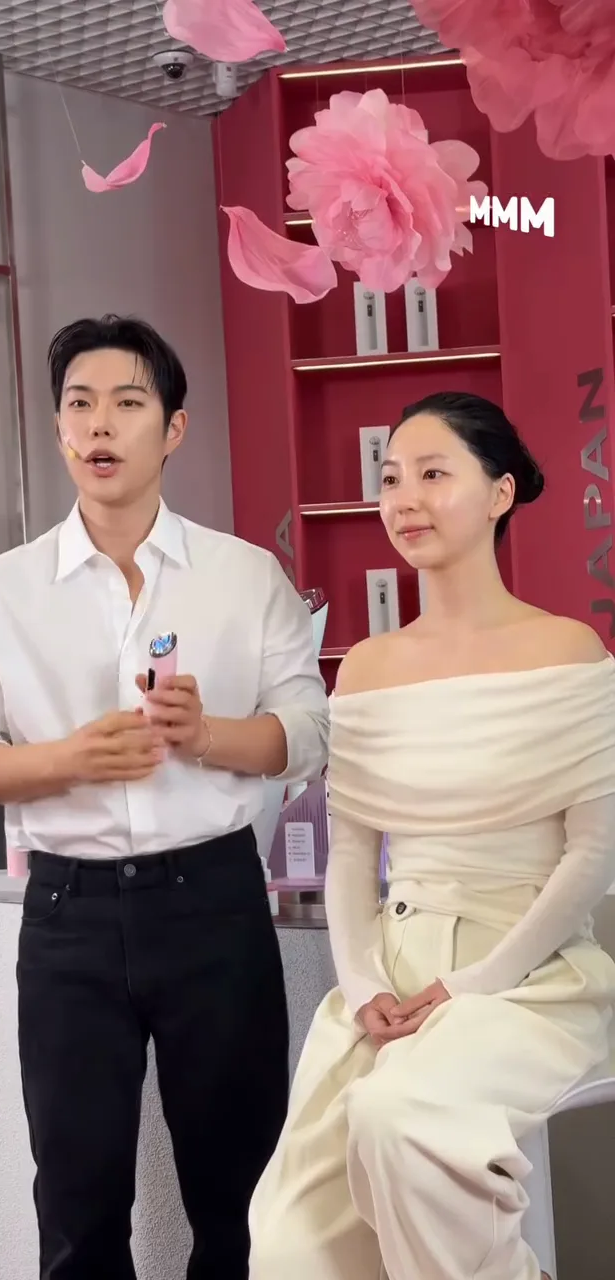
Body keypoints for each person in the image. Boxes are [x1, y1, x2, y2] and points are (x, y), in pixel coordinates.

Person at [0, 314, 329, 1280]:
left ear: (173, 428)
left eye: (127, 402)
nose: (100, 424)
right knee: (77, 1204)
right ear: (59, 428)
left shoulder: (245, 576)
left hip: (214, 903)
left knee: (242, 1200)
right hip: (68, 915)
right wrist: (65, 760)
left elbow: (311, 733)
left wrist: (208, 736)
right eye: (80, 404)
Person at [248, 390, 615, 1280]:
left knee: (399, 1119)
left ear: (499, 493)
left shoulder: (568, 653)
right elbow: (350, 852)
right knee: (289, 1240)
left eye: (434, 474)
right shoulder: (367, 668)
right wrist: (363, 983)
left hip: (529, 973)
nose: (404, 499)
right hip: (393, 973)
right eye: (390, 479)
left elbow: (594, 852)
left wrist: (475, 982)